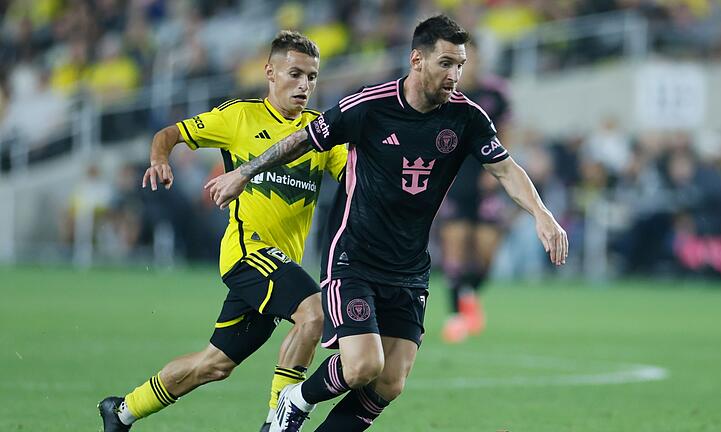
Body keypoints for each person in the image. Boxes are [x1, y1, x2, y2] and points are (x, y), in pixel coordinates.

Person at [205, 15, 568, 432]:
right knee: (362, 365)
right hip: (354, 259)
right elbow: (301, 140)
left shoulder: (466, 117)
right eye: (446, 63)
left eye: (461, 65)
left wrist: (543, 214)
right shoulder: (368, 105)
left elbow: (506, 169)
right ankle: (296, 398)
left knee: (390, 382)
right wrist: (245, 171)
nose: (455, 75)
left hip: (410, 268)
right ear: (417, 59)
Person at [97, 31, 348, 432]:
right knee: (313, 312)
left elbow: (356, 179)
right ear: (269, 72)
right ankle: (278, 423)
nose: (304, 85)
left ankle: (122, 410)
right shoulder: (239, 116)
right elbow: (169, 135)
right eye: (295, 74)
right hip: (247, 252)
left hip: (280, 264)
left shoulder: (319, 132)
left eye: (312, 77)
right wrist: (160, 159)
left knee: (214, 365)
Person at [437, 41, 513, 343]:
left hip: (486, 180)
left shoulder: (496, 93)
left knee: (486, 255)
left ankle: (468, 292)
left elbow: (507, 131)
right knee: (455, 248)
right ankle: (456, 316)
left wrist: (498, 167)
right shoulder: (444, 92)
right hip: (454, 180)